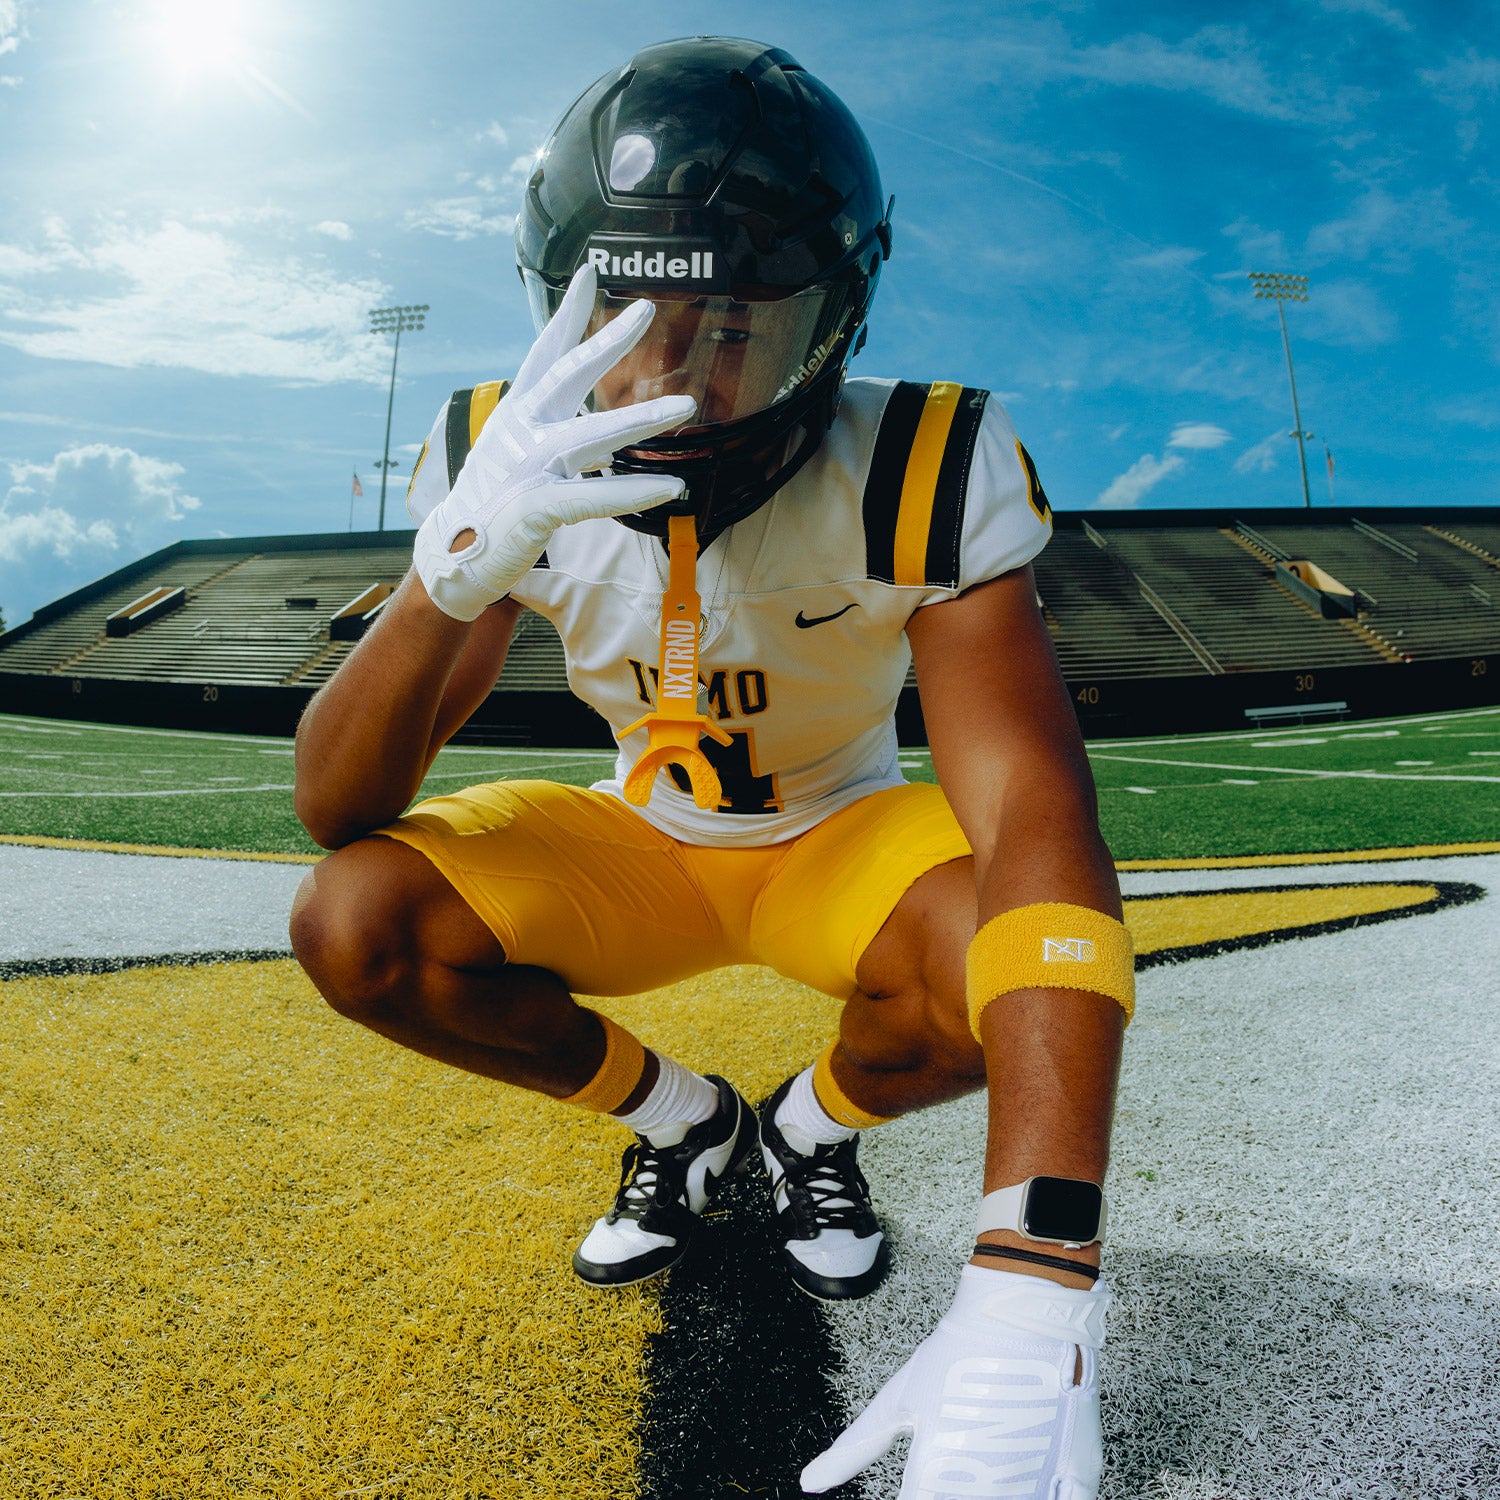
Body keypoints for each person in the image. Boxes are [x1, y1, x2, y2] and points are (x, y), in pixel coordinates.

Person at [289, 36, 1131, 1499]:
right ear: (561, 303)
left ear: (836, 317)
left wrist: (1037, 1255)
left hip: (840, 832)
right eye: (626, 311)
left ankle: (812, 1129)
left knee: (1007, 973)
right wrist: (460, 567)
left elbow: (1031, 807)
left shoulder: (921, 457)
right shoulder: (498, 447)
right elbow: (338, 808)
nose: (675, 373)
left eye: (738, 320)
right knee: (354, 922)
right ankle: (686, 1126)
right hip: (645, 834)